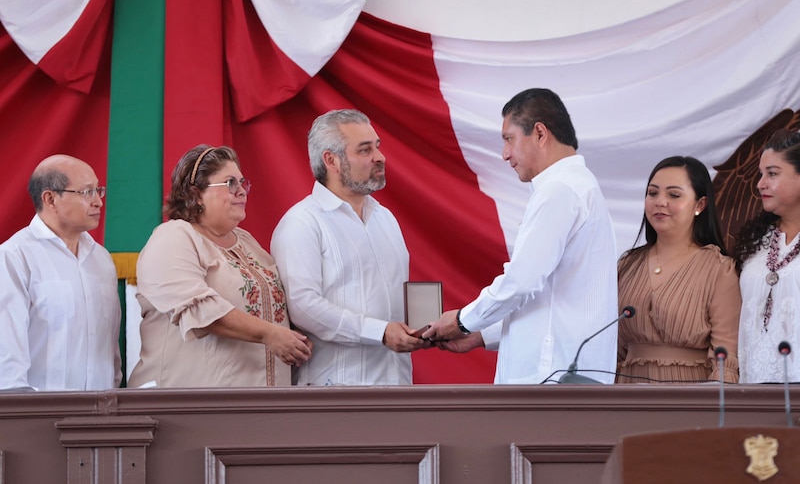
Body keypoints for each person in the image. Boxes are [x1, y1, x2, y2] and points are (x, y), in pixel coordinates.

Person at [423, 88, 618, 384]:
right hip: (563, 379)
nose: (505, 154)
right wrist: (480, 335)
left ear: (539, 133)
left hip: (552, 382)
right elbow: (548, 298)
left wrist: (463, 320)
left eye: (508, 139)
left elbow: (522, 282)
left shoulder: (560, 190)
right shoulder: (576, 186)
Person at [128, 145, 312, 388]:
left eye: (243, 183)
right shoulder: (173, 236)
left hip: (262, 405)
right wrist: (271, 334)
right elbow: (201, 309)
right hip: (188, 404)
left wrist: (295, 335)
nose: (241, 192)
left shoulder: (247, 242)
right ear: (196, 194)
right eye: (230, 184)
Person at [270, 109, 426, 386]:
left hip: (398, 384)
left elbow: (396, 299)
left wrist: (428, 326)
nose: (380, 157)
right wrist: (380, 332)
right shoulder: (302, 222)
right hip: (337, 390)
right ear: (331, 160)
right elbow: (304, 307)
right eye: (364, 150)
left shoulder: (385, 218)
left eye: (377, 146)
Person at [0, 155, 121, 391]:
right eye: (87, 192)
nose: (98, 202)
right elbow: (7, 354)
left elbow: (110, 349)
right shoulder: (14, 257)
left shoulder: (101, 259)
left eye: (99, 190)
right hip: (40, 416)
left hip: (103, 414)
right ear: (50, 199)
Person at [616, 156, 741, 384]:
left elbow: (726, 356)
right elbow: (611, 350)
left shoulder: (718, 269)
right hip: (628, 398)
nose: (660, 202)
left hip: (692, 400)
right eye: (652, 193)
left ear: (699, 205)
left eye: (673, 195)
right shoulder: (626, 264)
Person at [734, 129, 800, 383]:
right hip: (755, 388)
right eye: (761, 174)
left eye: (772, 174)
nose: (761, 183)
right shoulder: (756, 243)